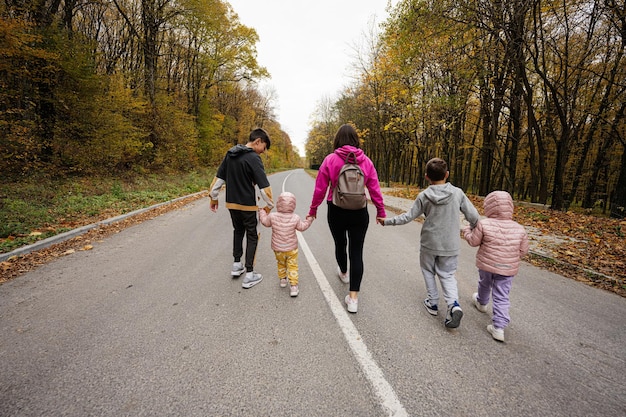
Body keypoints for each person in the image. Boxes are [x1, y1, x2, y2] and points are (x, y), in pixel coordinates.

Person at [381, 157, 479, 328]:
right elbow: (474, 217)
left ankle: (433, 303)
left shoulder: (424, 195)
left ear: (427, 177)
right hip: (451, 245)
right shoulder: (458, 193)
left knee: (428, 270)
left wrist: (387, 221)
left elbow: (408, 217)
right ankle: (453, 305)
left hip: (429, 243)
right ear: (447, 174)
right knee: (447, 274)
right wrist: (474, 230)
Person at [308, 124, 386, 313]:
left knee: (340, 243)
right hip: (360, 211)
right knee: (356, 251)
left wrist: (313, 209)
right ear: (356, 140)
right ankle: (353, 299)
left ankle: (343, 272)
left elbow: (320, 188)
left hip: (336, 209)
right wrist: (380, 211)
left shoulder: (330, 160)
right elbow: (374, 188)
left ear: (337, 140)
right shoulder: (366, 161)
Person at [209, 128, 274, 289]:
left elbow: (218, 179)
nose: (263, 152)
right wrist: (269, 205)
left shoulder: (230, 154)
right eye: (264, 147)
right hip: (248, 205)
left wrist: (214, 198)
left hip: (231, 204)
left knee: (238, 231)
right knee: (252, 235)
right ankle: (250, 274)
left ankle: (237, 265)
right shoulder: (253, 158)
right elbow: (264, 186)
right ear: (258, 141)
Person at [463, 190, 529, 342]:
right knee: (502, 295)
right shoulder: (519, 228)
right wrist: (511, 257)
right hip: (507, 269)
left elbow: (474, 241)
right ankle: (499, 327)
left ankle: (482, 302)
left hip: (486, 265)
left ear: (489, 207)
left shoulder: (483, 224)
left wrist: (467, 230)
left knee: (484, 283)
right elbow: (523, 250)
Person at [258, 192, 314, 297]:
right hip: (291, 248)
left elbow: (265, 222)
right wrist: (309, 219)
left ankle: (283, 280)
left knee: (281, 263)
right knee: (292, 266)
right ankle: (293, 286)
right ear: (293, 205)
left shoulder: (272, 216)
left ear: (278, 203)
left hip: (277, 248)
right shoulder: (295, 217)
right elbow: (302, 227)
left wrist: (262, 212)